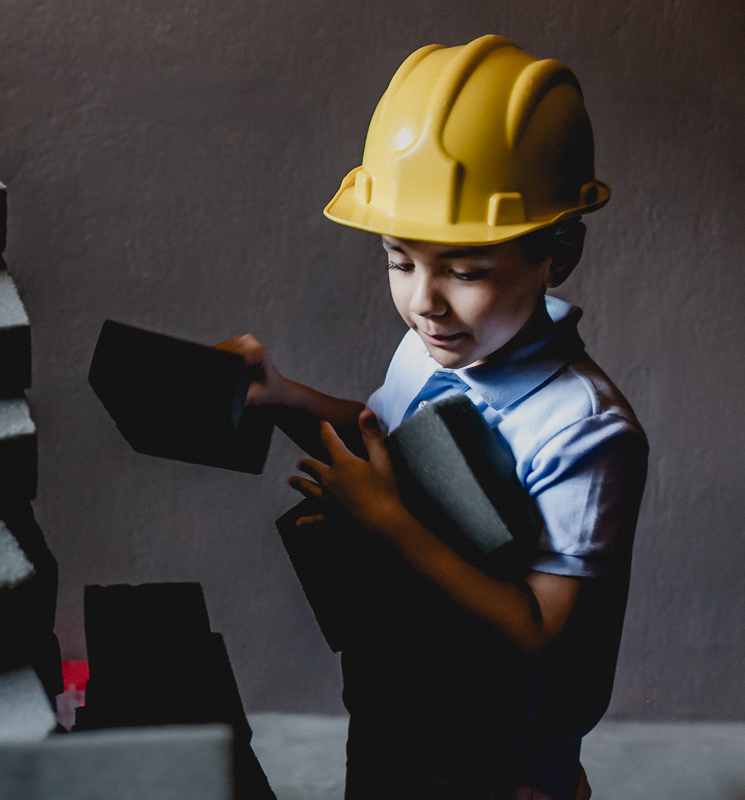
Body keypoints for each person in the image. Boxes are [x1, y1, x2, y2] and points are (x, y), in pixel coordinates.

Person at [218, 35, 647, 800]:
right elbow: (388, 445)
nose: (425, 301)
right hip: (396, 714)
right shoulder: (431, 349)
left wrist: (393, 526)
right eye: (399, 260)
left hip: (500, 766)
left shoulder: (584, 431)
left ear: (559, 252)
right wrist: (284, 398)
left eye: (467, 271)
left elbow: (543, 633)